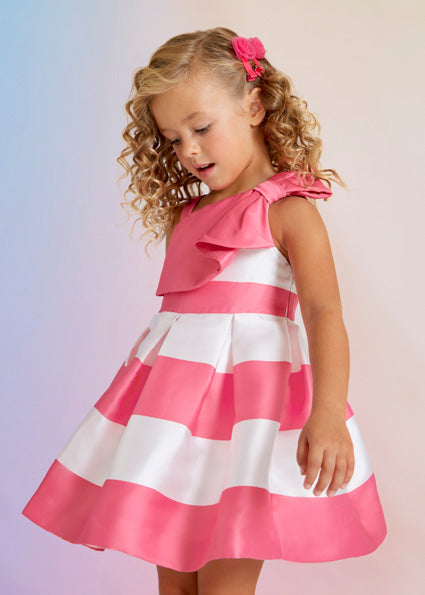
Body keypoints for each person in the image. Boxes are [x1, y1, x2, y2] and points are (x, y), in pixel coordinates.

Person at [22, 27, 387, 595]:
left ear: (254, 106)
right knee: (175, 586)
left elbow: (322, 312)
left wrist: (328, 413)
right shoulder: (187, 218)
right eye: (173, 139)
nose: (189, 150)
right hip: (171, 421)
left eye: (201, 128)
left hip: (248, 421)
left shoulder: (289, 211)